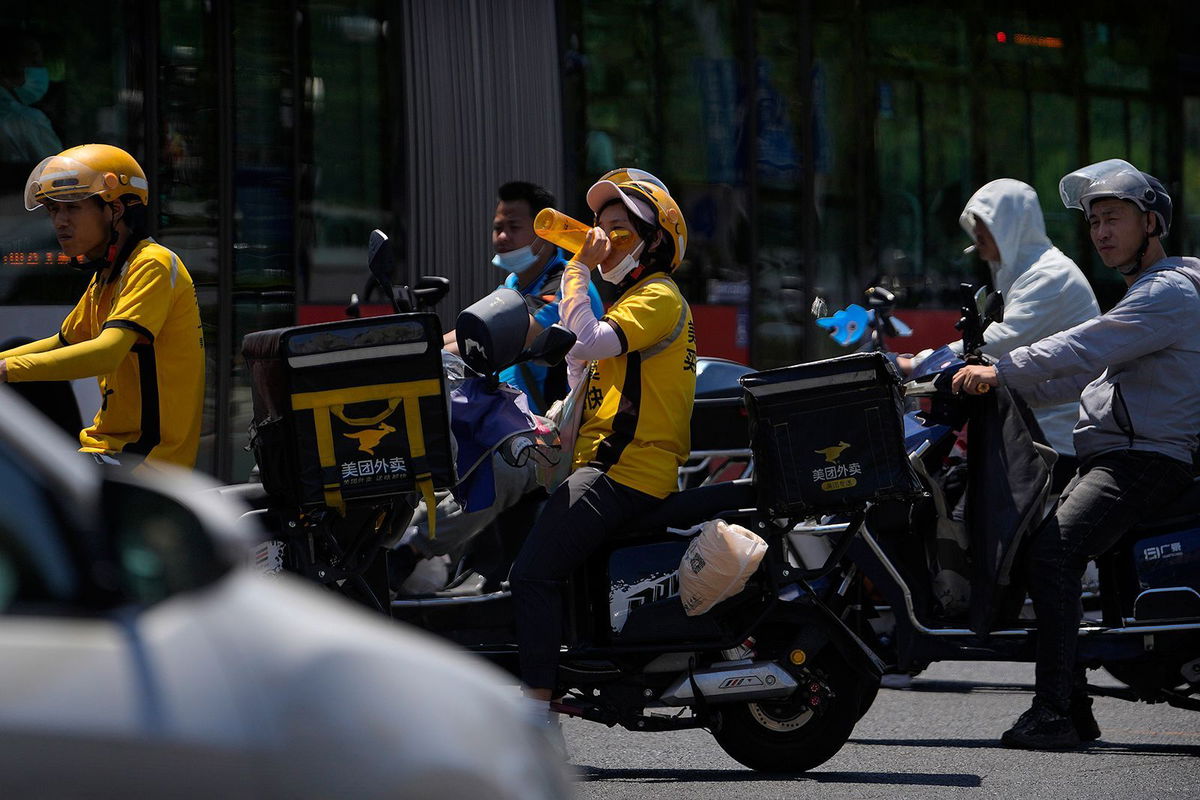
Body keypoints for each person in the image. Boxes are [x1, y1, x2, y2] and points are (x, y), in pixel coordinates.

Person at [953, 159, 1200, 750]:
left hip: (1144, 460)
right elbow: (1092, 375)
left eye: (1114, 219)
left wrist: (1000, 368)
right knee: (1035, 534)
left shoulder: (1165, 291)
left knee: (1053, 552)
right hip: (1121, 452)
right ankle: (1071, 701)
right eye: (1094, 223)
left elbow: (1086, 344)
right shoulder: (1146, 293)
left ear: (1152, 222)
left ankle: (1059, 711)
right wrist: (1006, 387)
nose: (1101, 233)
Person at [509, 168, 697, 728]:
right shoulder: (635, 300)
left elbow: (588, 340)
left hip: (625, 471)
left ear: (654, 241)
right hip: (611, 465)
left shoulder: (659, 296)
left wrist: (577, 267)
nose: (601, 236)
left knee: (531, 575)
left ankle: (534, 717)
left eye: (618, 228)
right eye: (599, 226)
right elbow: (583, 366)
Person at [0, 143, 205, 470]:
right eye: (53, 210)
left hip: (144, 461)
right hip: (102, 450)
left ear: (116, 209)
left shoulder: (153, 264)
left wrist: (6, 370)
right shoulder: (106, 277)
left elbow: (106, 352)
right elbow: (62, 343)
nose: (60, 222)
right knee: (17, 349)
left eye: (72, 208)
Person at [903, 179, 1100, 487]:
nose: (977, 243)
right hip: (1029, 426)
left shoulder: (1050, 277)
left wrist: (917, 364)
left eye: (984, 231)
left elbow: (995, 341)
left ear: (1009, 228)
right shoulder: (1023, 274)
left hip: (1055, 438)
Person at [444, 181, 603, 414]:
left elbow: (505, 334)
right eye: (498, 228)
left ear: (545, 232)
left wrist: (435, 356)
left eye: (514, 227)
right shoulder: (513, 283)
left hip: (550, 434)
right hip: (508, 423)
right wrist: (425, 344)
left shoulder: (565, 282)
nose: (503, 237)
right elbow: (474, 327)